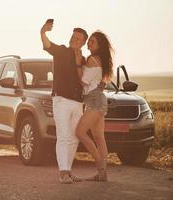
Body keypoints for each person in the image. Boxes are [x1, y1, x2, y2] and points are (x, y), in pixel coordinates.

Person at [40, 19, 88, 184]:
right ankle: (63, 172)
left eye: (78, 39)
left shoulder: (83, 59)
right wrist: (43, 32)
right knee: (63, 136)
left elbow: (86, 81)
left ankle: (68, 170)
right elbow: (48, 45)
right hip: (61, 100)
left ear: (83, 43)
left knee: (74, 137)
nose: (74, 40)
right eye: (73, 37)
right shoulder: (61, 51)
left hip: (78, 102)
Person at [75, 31, 113, 182]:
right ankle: (102, 174)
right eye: (89, 41)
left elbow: (83, 81)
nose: (89, 44)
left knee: (80, 132)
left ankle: (100, 166)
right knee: (99, 137)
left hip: (94, 101)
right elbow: (99, 82)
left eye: (93, 42)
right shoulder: (100, 60)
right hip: (98, 99)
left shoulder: (92, 59)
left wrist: (78, 63)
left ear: (99, 46)